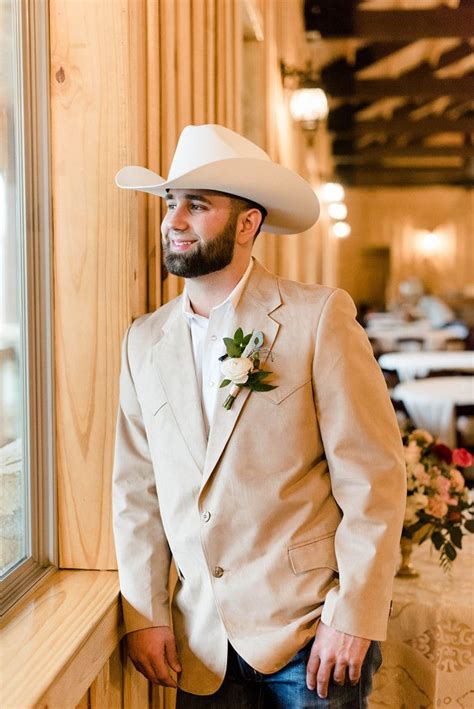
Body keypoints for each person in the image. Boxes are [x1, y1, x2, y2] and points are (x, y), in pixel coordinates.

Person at [113, 124, 406, 708]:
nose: (174, 220)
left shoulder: (317, 317)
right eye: (171, 204)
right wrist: (142, 614)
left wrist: (354, 613)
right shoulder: (143, 341)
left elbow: (374, 477)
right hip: (199, 646)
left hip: (311, 636)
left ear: (248, 224)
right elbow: (136, 490)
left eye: (197, 206)